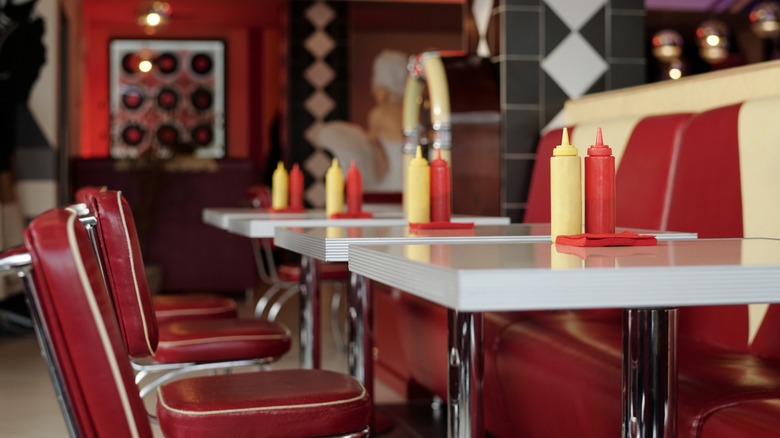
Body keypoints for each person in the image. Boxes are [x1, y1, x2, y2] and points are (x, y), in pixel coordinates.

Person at [316, 49, 407, 192]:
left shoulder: (379, 114)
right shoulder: (413, 111)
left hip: (394, 183)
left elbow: (376, 156)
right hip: (416, 179)